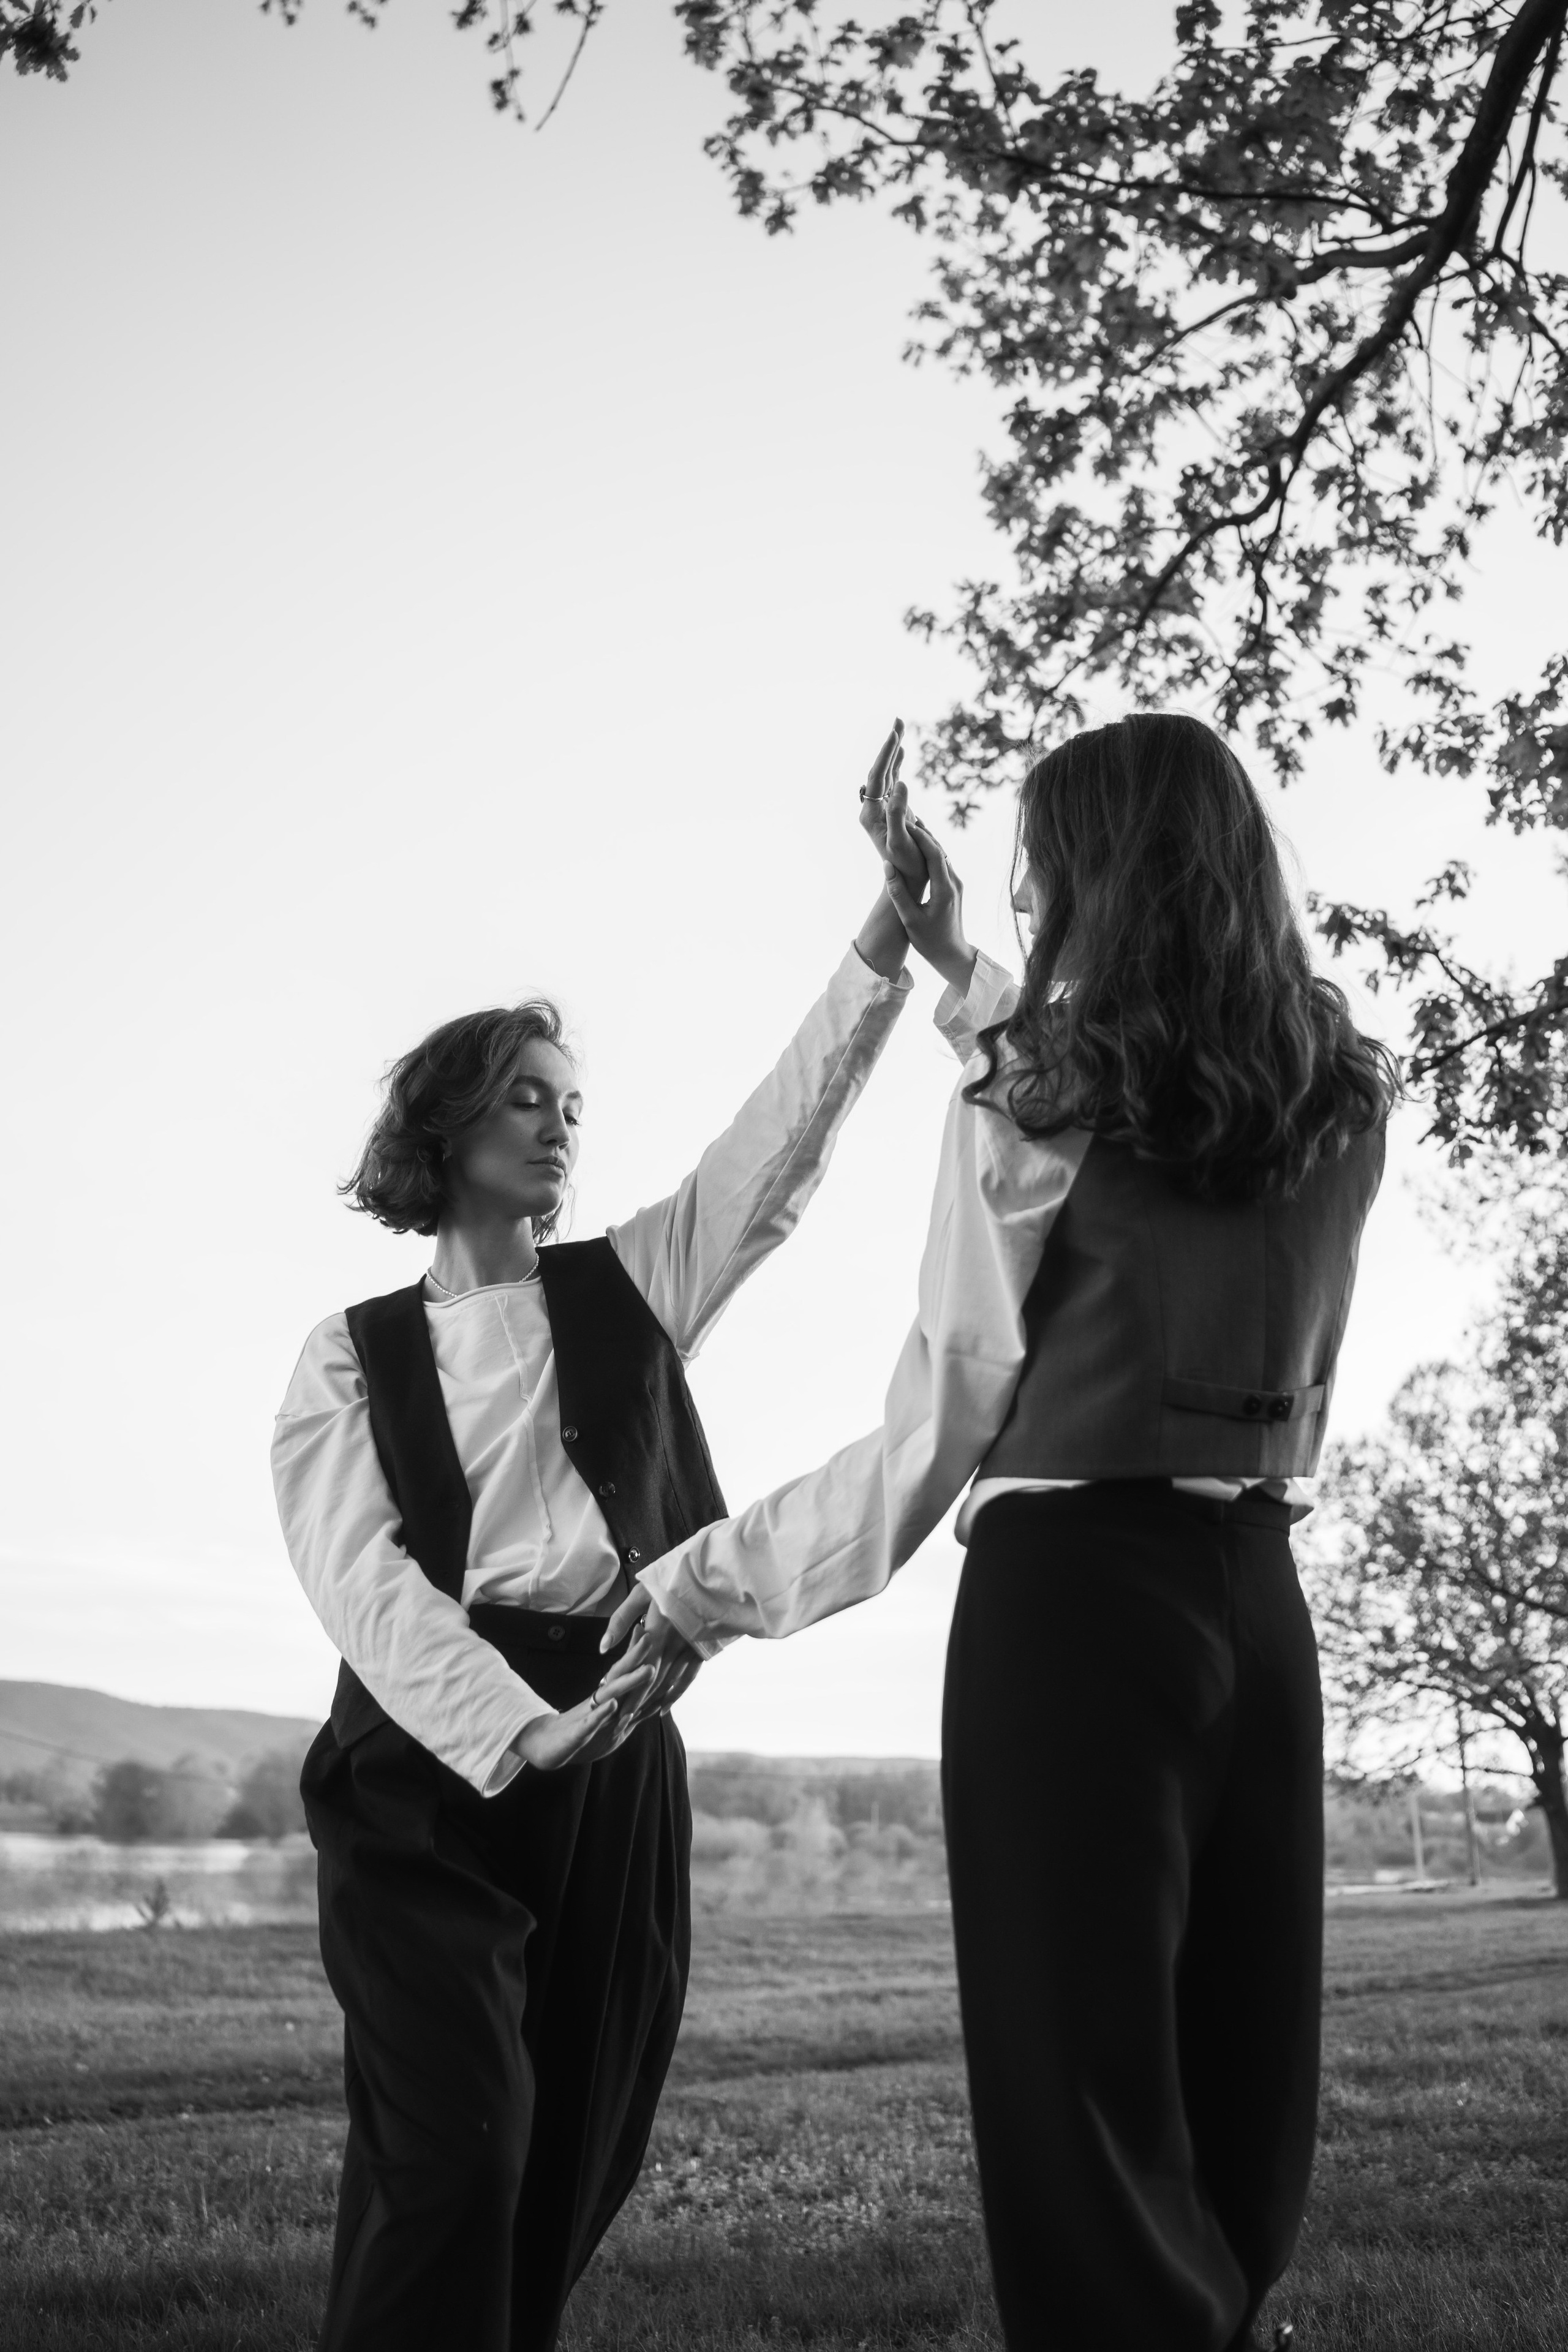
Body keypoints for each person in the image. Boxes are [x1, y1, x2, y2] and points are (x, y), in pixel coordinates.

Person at [608, 712, 1398, 2352]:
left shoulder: (1027, 1108)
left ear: (1103, 888)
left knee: (1083, 2114)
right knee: (1247, 2095)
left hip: (1074, 1615)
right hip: (1261, 1607)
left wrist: (705, 1585)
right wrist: (959, 953)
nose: (1038, 930)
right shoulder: (1342, 1099)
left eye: (1048, 898)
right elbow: (1133, 1091)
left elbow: (939, 1427)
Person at [270, 727, 916, 2352]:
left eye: (574, 1107)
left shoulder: (627, 1288)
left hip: (616, 1747)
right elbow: (367, 1588)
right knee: (460, 2146)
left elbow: (773, 1158)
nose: (559, 1128)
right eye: (525, 1100)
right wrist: (515, 1729)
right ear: (449, 1125)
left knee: (560, 2162)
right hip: (428, 1766)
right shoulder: (347, 1357)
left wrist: (886, 939)